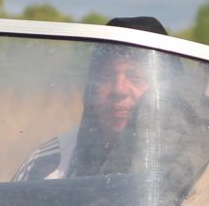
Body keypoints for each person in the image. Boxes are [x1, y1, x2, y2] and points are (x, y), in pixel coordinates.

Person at [15, 17, 170, 182]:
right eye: (107, 76)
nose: (119, 90)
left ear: (165, 89)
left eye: (135, 78)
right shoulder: (46, 164)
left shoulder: (193, 160)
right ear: (92, 86)